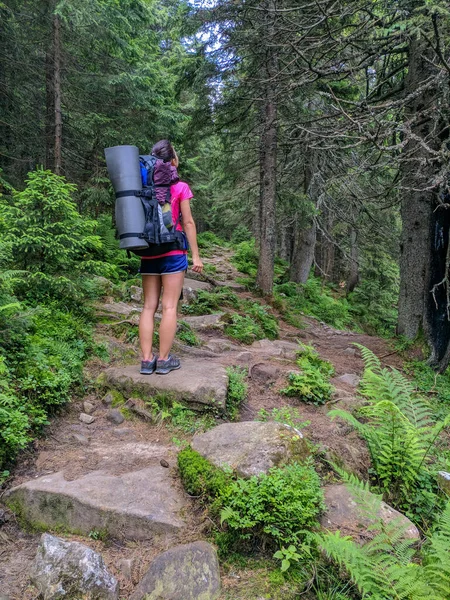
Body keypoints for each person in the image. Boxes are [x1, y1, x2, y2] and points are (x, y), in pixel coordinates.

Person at [138, 140, 203, 375]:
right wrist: (196, 255)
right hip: (173, 251)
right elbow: (187, 222)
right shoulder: (180, 187)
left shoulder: (144, 188)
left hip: (148, 252)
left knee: (148, 306)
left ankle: (146, 360)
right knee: (169, 307)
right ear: (173, 161)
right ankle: (163, 360)